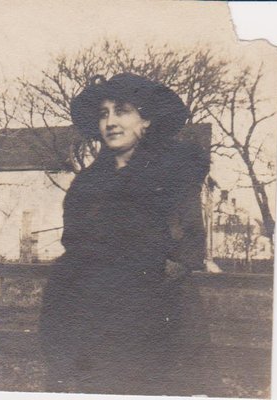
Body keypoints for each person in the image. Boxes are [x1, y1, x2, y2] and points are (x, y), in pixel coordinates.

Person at [39, 73, 215, 396]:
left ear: (145, 121)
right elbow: (74, 246)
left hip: (156, 319)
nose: (110, 121)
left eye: (121, 111)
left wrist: (159, 273)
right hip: (92, 318)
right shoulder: (86, 186)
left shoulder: (173, 176)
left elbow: (189, 242)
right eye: (104, 113)